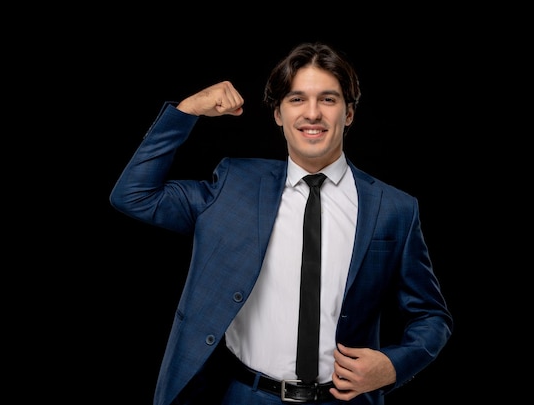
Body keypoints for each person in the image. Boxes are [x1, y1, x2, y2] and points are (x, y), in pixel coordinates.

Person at [110, 41, 453, 405]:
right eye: (296, 99)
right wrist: (186, 111)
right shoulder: (234, 185)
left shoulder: (394, 209)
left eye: (328, 99)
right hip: (246, 395)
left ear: (349, 113)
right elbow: (134, 196)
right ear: (278, 114)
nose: (312, 113)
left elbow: (431, 316)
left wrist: (393, 365)